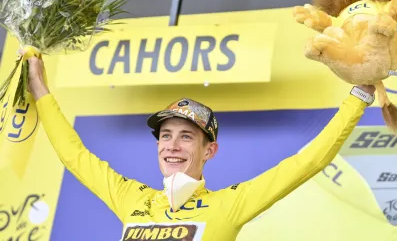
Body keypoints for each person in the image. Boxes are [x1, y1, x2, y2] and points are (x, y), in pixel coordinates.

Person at [26, 50, 375, 241]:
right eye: (165, 135)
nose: (172, 145)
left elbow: (306, 163)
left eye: (186, 136)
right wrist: (39, 88)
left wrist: (359, 97)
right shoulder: (133, 198)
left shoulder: (229, 204)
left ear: (210, 151)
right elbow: (74, 155)